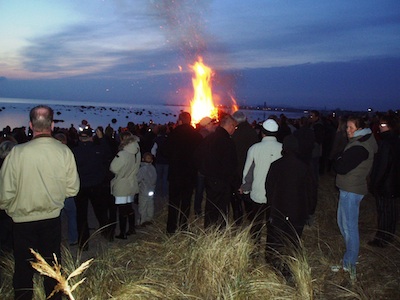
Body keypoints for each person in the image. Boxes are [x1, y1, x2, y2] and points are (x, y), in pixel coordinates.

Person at [0, 105, 80, 300]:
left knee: (23, 271)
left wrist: (10, 209)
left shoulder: (17, 153)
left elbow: (5, 192)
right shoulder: (64, 152)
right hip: (51, 219)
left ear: (30, 125)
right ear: (52, 125)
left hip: (22, 221)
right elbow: (73, 189)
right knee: (52, 271)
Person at [333, 115, 377, 281]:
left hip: (352, 191)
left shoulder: (360, 147)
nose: (347, 131)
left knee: (350, 228)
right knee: (343, 224)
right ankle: (348, 259)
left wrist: (338, 159)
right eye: (347, 127)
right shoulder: (358, 142)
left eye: (351, 127)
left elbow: (340, 166)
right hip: (347, 189)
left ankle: (350, 264)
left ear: (359, 128)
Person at [265, 134, 312, 276]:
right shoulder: (303, 167)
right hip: (298, 212)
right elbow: (310, 190)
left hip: (279, 210)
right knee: (293, 242)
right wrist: (309, 210)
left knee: (277, 240)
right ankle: (290, 269)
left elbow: (269, 187)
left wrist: (270, 205)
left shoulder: (276, 165)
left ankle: (275, 267)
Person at [240, 119, 282, 245]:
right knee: (273, 225)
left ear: (262, 133)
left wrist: (245, 188)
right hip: (275, 194)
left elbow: (247, 172)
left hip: (257, 192)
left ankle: (254, 249)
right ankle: (271, 251)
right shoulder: (282, 148)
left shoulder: (255, 148)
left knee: (256, 224)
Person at [73, 125, 113, 249]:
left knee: (81, 216)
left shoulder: (74, 151)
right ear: (91, 137)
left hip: (81, 186)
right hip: (96, 185)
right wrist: (101, 138)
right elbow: (108, 154)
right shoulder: (98, 149)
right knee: (101, 212)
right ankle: (108, 235)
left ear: (80, 138)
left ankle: (83, 243)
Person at [196, 114, 238, 229]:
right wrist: (232, 181)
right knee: (221, 208)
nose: (234, 129)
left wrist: (205, 171)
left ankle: (209, 228)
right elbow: (231, 164)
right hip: (222, 181)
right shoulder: (227, 142)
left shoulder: (210, 138)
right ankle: (219, 231)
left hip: (209, 178)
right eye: (234, 127)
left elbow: (199, 155)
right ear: (230, 126)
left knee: (210, 206)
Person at [166, 112, 202, 234]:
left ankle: (171, 228)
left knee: (174, 202)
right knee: (186, 201)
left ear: (180, 121)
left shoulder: (173, 134)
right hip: (190, 175)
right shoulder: (197, 136)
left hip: (175, 174)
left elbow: (165, 152)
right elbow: (199, 156)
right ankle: (183, 226)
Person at [368, 114, 400, 247]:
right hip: (394, 183)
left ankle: (382, 239)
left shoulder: (386, 143)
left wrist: (375, 184)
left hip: (385, 184)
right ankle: (389, 236)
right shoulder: (396, 140)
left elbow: (382, 166)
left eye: (382, 125)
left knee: (384, 212)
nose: (379, 128)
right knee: (391, 212)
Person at [109, 131, 141, 239]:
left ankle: (122, 233)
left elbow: (113, 168)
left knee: (122, 209)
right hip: (132, 182)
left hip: (122, 183)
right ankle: (131, 229)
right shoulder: (137, 151)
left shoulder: (123, 154)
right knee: (129, 207)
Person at [231, 110, 259, 225]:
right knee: (248, 194)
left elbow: (233, 152)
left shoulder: (236, 133)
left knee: (236, 195)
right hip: (251, 168)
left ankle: (238, 219)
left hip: (238, 168)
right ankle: (251, 216)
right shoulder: (252, 132)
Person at [54, 132, 78, 246]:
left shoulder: (51, 154)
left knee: (57, 217)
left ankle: (57, 238)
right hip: (67, 191)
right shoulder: (68, 153)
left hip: (55, 191)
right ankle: (73, 238)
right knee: (71, 215)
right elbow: (72, 175)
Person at [194, 116, 217, 217]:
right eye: (212, 124)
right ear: (207, 125)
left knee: (199, 191)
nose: (213, 125)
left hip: (202, 168)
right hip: (205, 169)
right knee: (205, 190)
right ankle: (200, 210)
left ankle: (197, 210)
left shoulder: (199, 134)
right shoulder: (207, 136)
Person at [137, 152, 157, 226]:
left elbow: (138, 179)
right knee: (150, 204)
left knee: (143, 205)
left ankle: (143, 220)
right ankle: (149, 218)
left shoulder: (142, 169)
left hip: (143, 190)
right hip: (151, 190)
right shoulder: (153, 168)